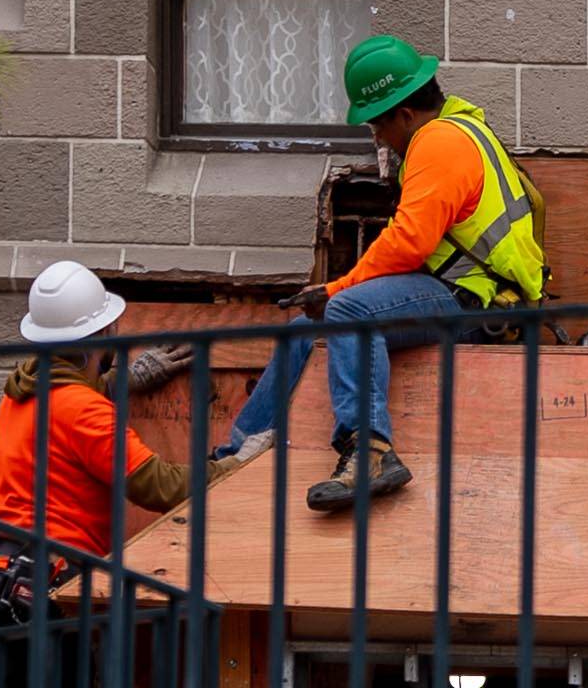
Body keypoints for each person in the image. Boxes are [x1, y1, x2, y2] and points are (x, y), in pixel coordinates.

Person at [212, 36, 546, 514]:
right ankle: (235, 455)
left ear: (405, 114)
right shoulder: (458, 131)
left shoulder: (439, 141)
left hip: (477, 300)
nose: (376, 137)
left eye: (376, 123)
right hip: (460, 292)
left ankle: (369, 451)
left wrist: (336, 289)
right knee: (307, 329)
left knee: (348, 309)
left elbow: (409, 243)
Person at [0, 260, 195, 688]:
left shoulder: (21, 390)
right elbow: (159, 486)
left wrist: (122, 382)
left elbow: (68, 409)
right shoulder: (85, 411)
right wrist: (239, 465)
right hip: (35, 599)